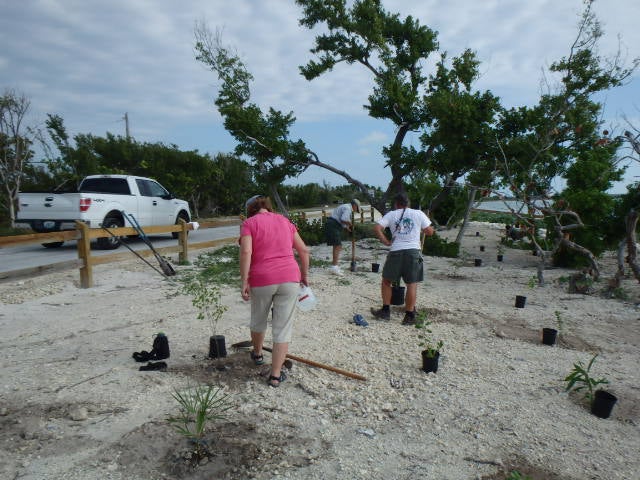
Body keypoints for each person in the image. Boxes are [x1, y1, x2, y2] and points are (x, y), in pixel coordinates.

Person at [240, 195, 310, 387]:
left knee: (259, 318)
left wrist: (244, 280)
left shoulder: (249, 223)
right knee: (283, 327)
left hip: (262, 278)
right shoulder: (285, 221)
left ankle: (257, 353)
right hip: (289, 277)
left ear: (250, 209)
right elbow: (303, 250)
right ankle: (275, 376)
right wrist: (304, 275)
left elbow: (246, 252)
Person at [370, 193, 434, 325]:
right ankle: (409, 316)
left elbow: (377, 228)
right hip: (413, 251)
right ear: (408, 203)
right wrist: (421, 228)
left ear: (396, 204)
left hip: (396, 251)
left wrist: (386, 241)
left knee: (387, 281)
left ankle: (386, 311)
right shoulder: (419, 213)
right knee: (412, 283)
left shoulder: (392, 214)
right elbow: (429, 232)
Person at [324, 199, 361, 275]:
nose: (355, 210)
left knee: (337, 246)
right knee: (337, 246)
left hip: (333, 224)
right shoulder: (348, 208)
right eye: (356, 209)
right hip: (333, 225)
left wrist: (348, 228)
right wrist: (351, 225)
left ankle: (335, 266)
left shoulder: (345, 206)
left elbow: (343, 221)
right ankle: (334, 267)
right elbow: (344, 219)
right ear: (354, 205)